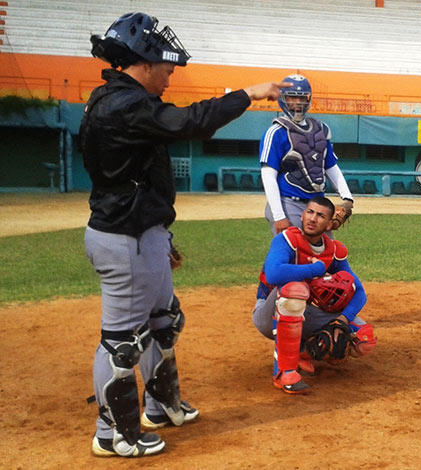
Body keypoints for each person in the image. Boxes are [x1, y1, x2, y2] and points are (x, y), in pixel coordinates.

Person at [80, 12, 289, 458]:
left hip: (142, 232)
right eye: (167, 70)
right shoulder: (125, 104)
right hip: (125, 238)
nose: (170, 78)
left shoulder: (118, 101)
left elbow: (143, 174)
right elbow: (189, 122)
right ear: (144, 62)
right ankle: (112, 433)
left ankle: (161, 405)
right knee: (122, 342)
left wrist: (162, 237)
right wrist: (247, 94)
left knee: (163, 324)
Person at [252, 196, 377, 393]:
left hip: (304, 311)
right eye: (309, 212)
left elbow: (358, 292)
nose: (312, 218)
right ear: (301, 215)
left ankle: (305, 350)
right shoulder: (286, 240)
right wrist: (314, 269)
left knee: (363, 340)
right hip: (269, 312)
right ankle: (284, 372)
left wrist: (342, 320)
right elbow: (274, 273)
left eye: (320, 215)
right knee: (295, 290)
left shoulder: (333, 250)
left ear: (329, 224)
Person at [259, 74, 354, 235]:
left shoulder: (321, 129)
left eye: (302, 98)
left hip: (317, 205)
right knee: (292, 255)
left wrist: (347, 198)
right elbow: (268, 176)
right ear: (283, 99)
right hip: (288, 203)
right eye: (292, 97)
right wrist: (279, 215)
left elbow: (330, 166)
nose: (297, 102)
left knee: (326, 254)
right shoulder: (276, 132)